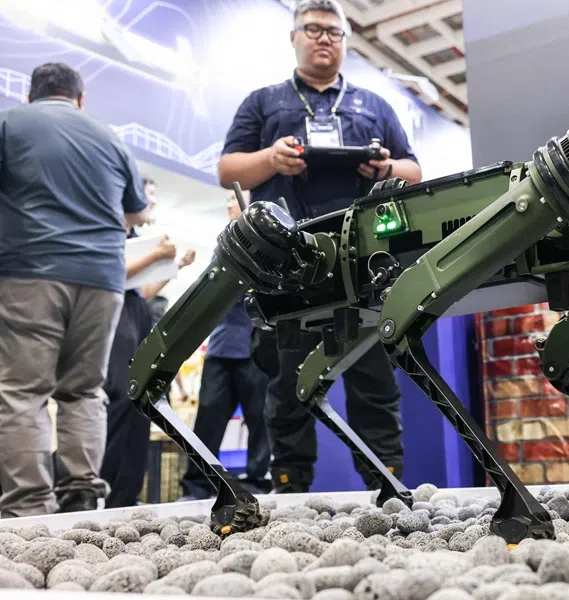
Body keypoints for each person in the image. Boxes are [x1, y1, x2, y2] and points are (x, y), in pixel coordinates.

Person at [218, 0, 422, 493]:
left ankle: (388, 488)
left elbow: (415, 172)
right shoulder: (264, 102)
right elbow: (228, 170)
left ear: (346, 42)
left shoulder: (373, 105)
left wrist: (385, 170)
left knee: (374, 379)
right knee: (286, 382)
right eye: (312, 28)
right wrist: (271, 158)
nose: (324, 38)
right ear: (294, 38)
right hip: (286, 264)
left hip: (364, 263)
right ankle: (289, 488)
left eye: (334, 31)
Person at [0, 62, 149, 516]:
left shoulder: (11, 122)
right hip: (104, 280)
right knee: (84, 391)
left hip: (31, 271)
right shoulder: (109, 135)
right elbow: (137, 213)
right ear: (79, 99)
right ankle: (83, 496)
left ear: (31, 95)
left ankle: (29, 509)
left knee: (23, 392)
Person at [100, 176, 195, 508]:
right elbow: (114, 276)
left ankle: (127, 495)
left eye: (154, 197)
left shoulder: (139, 240)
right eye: (147, 196)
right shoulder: (109, 233)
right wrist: (156, 254)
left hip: (136, 315)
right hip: (113, 317)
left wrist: (174, 266)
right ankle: (102, 491)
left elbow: (142, 292)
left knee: (142, 400)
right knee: (121, 397)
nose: (151, 202)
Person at [179, 190, 271, 500]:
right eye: (230, 201)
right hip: (220, 349)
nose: (230, 203)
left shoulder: (270, 247)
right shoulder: (224, 245)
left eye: (235, 199)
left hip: (254, 348)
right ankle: (196, 484)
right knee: (208, 418)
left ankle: (258, 481)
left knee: (260, 419)